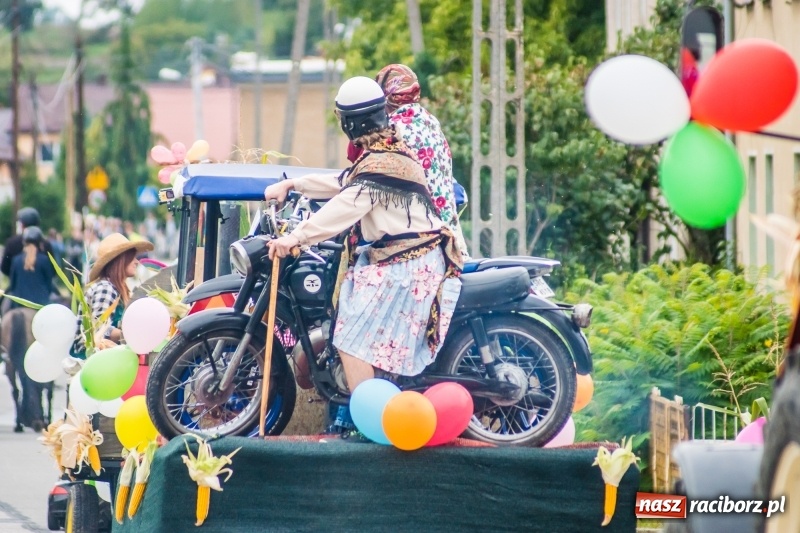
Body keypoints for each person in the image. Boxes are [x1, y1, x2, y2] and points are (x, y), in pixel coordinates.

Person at [265, 76, 463, 396]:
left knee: (350, 338)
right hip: (404, 257)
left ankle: (368, 416)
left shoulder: (381, 163)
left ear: (350, 124)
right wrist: (293, 184)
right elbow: (345, 181)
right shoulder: (387, 150)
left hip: (410, 263)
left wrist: (295, 238)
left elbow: (345, 205)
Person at [373, 63, 470, 257]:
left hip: (425, 248)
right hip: (453, 243)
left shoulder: (394, 132)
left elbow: (367, 186)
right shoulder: (428, 120)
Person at [73, 233, 153, 357]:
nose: (137, 262)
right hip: (92, 363)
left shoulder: (114, 287)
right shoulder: (106, 288)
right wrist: (130, 336)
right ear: (120, 260)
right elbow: (98, 331)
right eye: (132, 257)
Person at [7, 226, 56, 308]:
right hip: (40, 304)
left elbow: (12, 285)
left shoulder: (16, 260)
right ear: (40, 243)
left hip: (19, 304)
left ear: (24, 242)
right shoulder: (44, 260)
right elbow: (49, 285)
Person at [1, 207, 53, 278]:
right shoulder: (46, 243)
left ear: (22, 224)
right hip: (42, 285)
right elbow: (53, 270)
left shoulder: (11, 243)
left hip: (18, 285)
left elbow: (5, 268)